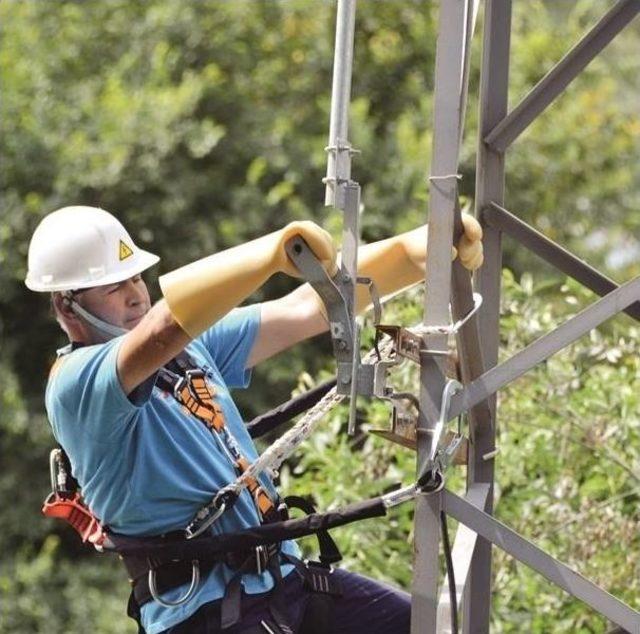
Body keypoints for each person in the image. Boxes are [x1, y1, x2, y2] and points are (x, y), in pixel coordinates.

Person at [26, 205, 483, 634]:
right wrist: (266, 255)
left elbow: (304, 309)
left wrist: (413, 251)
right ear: (68, 308)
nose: (134, 296)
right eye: (114, 288)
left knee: (429, 626)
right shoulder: (77, 384)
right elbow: (164, 327)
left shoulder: (189, 351)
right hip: (205, 611)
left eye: (137, 279)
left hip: (283, 581)